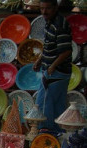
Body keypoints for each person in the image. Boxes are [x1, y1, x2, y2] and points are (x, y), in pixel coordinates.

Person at [33, 0, 72, 133]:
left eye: (47, 8)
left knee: (44, 102)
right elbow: (49, 45)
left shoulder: (59, 25)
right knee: (56, 103)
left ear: (55, 8)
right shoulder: (50, 22)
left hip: (57, 71)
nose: (44, 12)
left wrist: (52, 66)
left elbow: (66, 51)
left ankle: (45, 131)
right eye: (42, 9)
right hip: (57, 70)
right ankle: (57, 132)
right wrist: (40, 59)